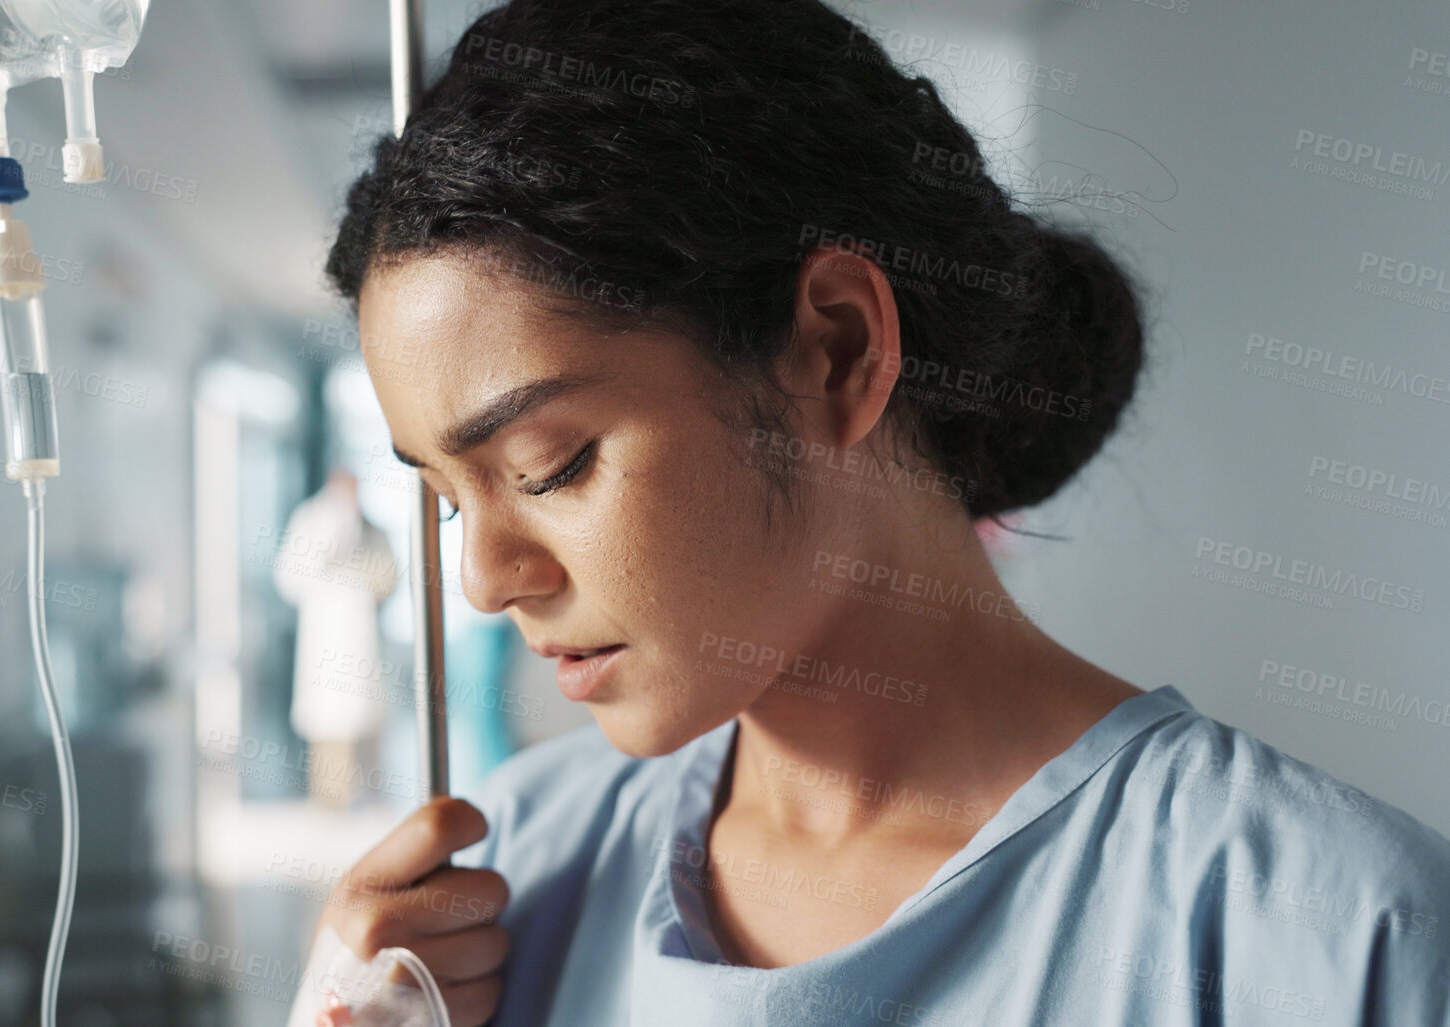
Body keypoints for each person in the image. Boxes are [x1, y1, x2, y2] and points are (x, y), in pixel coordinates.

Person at [293, 0, 1450, 1024]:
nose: (486, 579)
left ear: (838, 350)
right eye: (445, 499)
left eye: (550, 462)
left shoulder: (1323, 927)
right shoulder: (504, 887)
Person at [275, 469, 399, 808]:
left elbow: (390, 580)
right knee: (330, 721)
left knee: (369, 721)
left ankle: (373, 799)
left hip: (365, 641)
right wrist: (326, 550)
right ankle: (330, 800)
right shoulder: (310, 520)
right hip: (326, 638)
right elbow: (289, 578)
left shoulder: (373, 529)